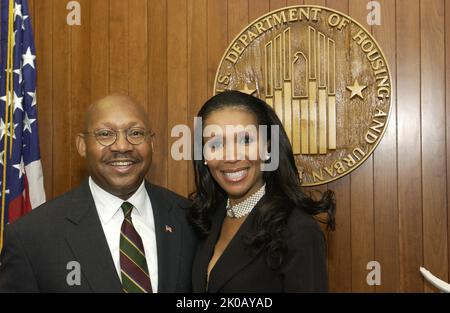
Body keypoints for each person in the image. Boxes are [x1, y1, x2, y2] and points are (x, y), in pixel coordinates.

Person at [0, 95, 196, 293]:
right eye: (105, 134)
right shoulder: (31, 236)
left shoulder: (191, 220)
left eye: (135, 133)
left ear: (152, 143)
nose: (122, 146)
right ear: (82, 145)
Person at [189, 90, 335, 293]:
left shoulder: (298, 230)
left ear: (267, 146)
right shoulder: (205, 220)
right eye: (215, 144)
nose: (231, 157)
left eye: (246, 141)